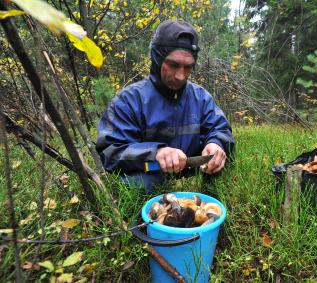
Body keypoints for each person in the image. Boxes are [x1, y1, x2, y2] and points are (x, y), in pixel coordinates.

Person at [96, 20, 235, 190]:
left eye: (188, 67)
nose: (180, 76)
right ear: (157, 58)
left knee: (222, 170)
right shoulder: (129, 101)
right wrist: (155, 153)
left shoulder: (201, 97)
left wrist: (216, 144)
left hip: (195, 174)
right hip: (150, 175)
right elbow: (110, 152)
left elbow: (220, 129)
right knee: (137, 185)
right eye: (174, 65)